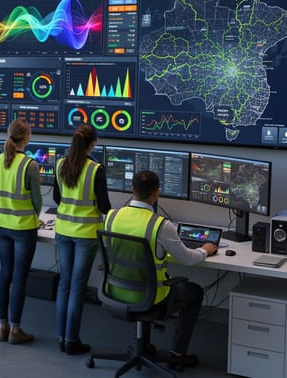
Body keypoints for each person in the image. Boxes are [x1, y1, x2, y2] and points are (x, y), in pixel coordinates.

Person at [104, 170, 217, 369]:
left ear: (132, 190)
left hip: (115, 291)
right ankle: (178, 354)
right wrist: (205, 250)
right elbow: (189, 260)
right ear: (156, 193)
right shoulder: (161, 226)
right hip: (151, 297)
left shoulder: (112, 217)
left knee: (147, 282)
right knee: (195, 292)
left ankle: (144, 345)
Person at [52, 124, 111, 355]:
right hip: (85, 235)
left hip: (63, 231)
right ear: (93, 143)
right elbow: (105, 206)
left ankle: (61, 337)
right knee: (77, 287)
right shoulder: (96, 169)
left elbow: (58, 198)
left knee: (65, 285)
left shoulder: (60, 165)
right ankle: (72, 340)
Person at [0, 118, 42, 344]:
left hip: (2, 225)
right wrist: (36, 218)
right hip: (23, 229)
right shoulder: (30, 165)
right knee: (20, 279)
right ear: (27, 136)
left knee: (4, 275)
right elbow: (37, 202)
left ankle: (1, 326)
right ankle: (15, 330)